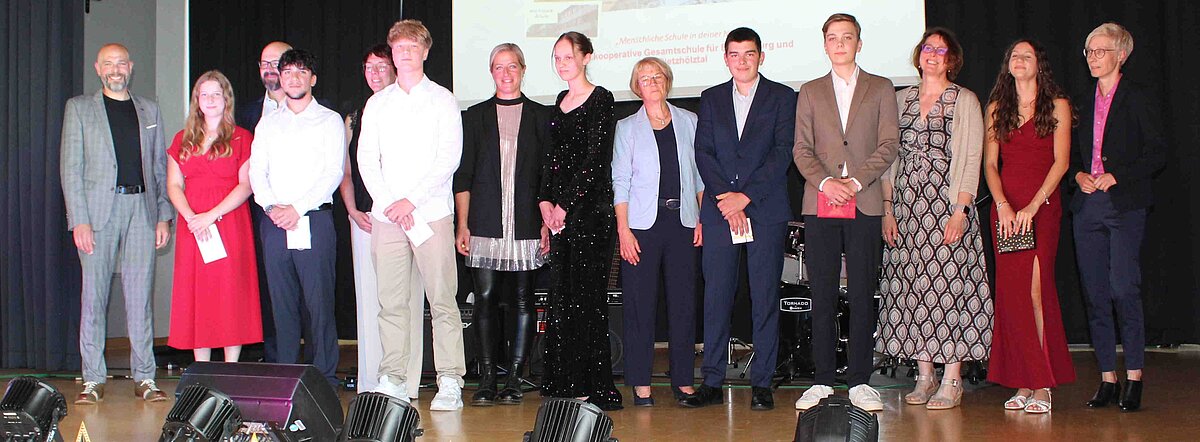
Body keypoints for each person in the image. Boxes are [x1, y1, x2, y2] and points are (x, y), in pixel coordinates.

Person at [876, 28, 992, 411]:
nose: (932, 54)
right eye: (928, 48)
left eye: (941, 51)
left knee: (949, 289)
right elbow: (889, 158)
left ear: (951, 59)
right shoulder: (900, 99)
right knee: (913, 289)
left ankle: (952, 379)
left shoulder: (965, 100)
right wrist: (888, 208)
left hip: (946, 207)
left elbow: (971, 158)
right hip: (907, 208)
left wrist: (961, 210)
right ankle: (924, 376)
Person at [682, 27, 795, 411]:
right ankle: (712, 380)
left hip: (764, 210)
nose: (742, 61)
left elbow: (783, 152)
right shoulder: (711, 98)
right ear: (725, 58)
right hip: (719, 212)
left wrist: (744, 198)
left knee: (764, 297)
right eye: (735, 54)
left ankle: (762, 382)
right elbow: (703, 153)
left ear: (761, 56)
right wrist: (726, 200)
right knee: (716, 296)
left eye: (749, 54)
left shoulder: (782, 96)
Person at [792, 14, 899, 412]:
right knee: (821, 292)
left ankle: (859, 381)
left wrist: (853, 182)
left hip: (864, 200)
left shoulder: (881, 87)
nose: (840, 44)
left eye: (847, 37)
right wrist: (826, 183)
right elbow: (801, 148)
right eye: (833, 38)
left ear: (859, 43)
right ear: (824, 45)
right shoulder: (809, 91)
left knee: (861, 293)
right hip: (820, 203)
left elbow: (889, 145)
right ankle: (821, 380)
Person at [358, 19, 466, 411]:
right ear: (392, 53)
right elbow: (366, 160)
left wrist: (411, 201)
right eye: (399, 47)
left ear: (425, 51)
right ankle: (394, 378)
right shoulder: (378, 103)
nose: (405, 53)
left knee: (442, 300)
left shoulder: (442, 99)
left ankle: (450, 380)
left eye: (412, 47)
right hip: (387, 218)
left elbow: (448, 158)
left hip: (431, 214)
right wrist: (391, 203)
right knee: (391, 302)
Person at [60, 43, 173, 404]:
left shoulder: (149, 109)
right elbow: (71, 169)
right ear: (98, 68)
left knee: (140, 299)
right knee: (94, 298)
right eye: (108, 63)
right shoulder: (79, 108)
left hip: (142, 209)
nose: (115, 69)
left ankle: (145, 378)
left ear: (130, 66)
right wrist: (79, 221)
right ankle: (93, 379)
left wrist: (163, 215)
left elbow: (159, 167)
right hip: (97, 215)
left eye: (121, 63)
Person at [1070, 22, 1165, 412]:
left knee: (1124, 288)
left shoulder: (1138, 97)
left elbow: (1157, 153)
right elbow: (1071, 157)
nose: (1093, 58)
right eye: (1089, 52)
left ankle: (1134, 377)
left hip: (1123, 204)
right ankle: (1108, 377)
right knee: (1094, 294)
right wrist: (1078, 175)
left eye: (1101, 51)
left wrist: (1118, 175)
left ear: (1121, 55)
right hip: (1087, 206)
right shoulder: (1081, 100)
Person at [455, 43, 551, 406]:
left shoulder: (541, 116)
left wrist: (545, 223)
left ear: (523, 70)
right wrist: (462, 224)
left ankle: (514, 377)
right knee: (485, 299)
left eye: (512, 66)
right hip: (484, 225)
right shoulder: (475, 116)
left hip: (526, 224)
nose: (506, 73)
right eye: (499, 66)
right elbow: (464, 175)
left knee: (524, 300)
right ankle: (487, 378)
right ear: (491, 72)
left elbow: (548, 177)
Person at [983, 39, 1076, 414]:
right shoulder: (997, 107)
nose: (1019, 60)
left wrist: (1034, 206)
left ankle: (1042, 384)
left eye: (1027, 56)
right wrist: (1003, 205)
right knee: (1012, 296)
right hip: (1006, 211)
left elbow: (1061, 163)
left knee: (1036, 292)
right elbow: (990, 165)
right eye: (1014, 56)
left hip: (1042, 207)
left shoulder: (1057, 105)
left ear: (1039, 65)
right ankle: (1023, 380)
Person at [247, 48, 345, 387]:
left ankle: (325, 379)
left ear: (312, 79)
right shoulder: (268, 123)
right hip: (274, 223)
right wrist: (272, 208)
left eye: (301, 71)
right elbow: (257, 172)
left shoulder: (329, 120)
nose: (293, 78)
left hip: (314, 221)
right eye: (287, 72)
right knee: (282, 304)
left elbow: (333, 173)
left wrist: (297, 208)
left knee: (319, 305)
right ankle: (285, 379)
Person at [537, 31, 623, 411]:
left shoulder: (601, 99)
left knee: (587, 300)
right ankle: (565, 382)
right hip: (561, 217)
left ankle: (592, 385)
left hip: (590, 215)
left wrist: (565, 206)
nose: (561, 64)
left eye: (567, 57)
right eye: (556, 58)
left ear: (586, 57)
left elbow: (595, 160)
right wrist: (545, 202)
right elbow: (551, 159)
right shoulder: (559, 101)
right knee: (562, 298)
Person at [611, 57, 702, 407]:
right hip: (641, 227)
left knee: (683, 304)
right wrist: (623, 229)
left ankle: (683, 379)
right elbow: (621, 181)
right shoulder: (626, 127)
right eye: (645, 78)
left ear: (667, 80)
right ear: (637, 86)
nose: (652, 81)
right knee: (639, 305)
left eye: (657, 75)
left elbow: (699, 176)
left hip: (683, 223)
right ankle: (640, 382)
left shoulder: (689, 121)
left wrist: (702, 218)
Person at [340, 43, 426, 398]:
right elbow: (346, 171)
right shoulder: (354, 116)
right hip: (364, 218)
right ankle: (372, 380)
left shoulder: (413, 106)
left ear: (395, 68)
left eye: (381, 66)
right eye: (368, 67)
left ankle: (406, 380)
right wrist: (352, 210)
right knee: (371, 302)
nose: (374, 73)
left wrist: (400, 206)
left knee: (408, 300)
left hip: (408, 217)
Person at [165, 70, 263, 362]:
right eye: (204, 94)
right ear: (196, 100)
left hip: (228, 221)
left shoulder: (242, 137)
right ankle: (202, 368)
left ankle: (231, 368)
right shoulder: (182, 139)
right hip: (193, 225)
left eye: (216, 94)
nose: (210, 100)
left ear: (226, 99)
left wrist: (211, 215)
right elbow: (173, 185)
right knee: (199, 294)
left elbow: (246, 185)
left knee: (229, 293)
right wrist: (192, 218)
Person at [236, 40, 291, 363]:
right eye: (264, 63)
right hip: (257, 215)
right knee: (266, 289)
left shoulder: (318, 110)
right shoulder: (245, 113)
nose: (270, 69)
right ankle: (273, 360)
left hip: (302, 213)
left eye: (277, 62)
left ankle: (308, 364)